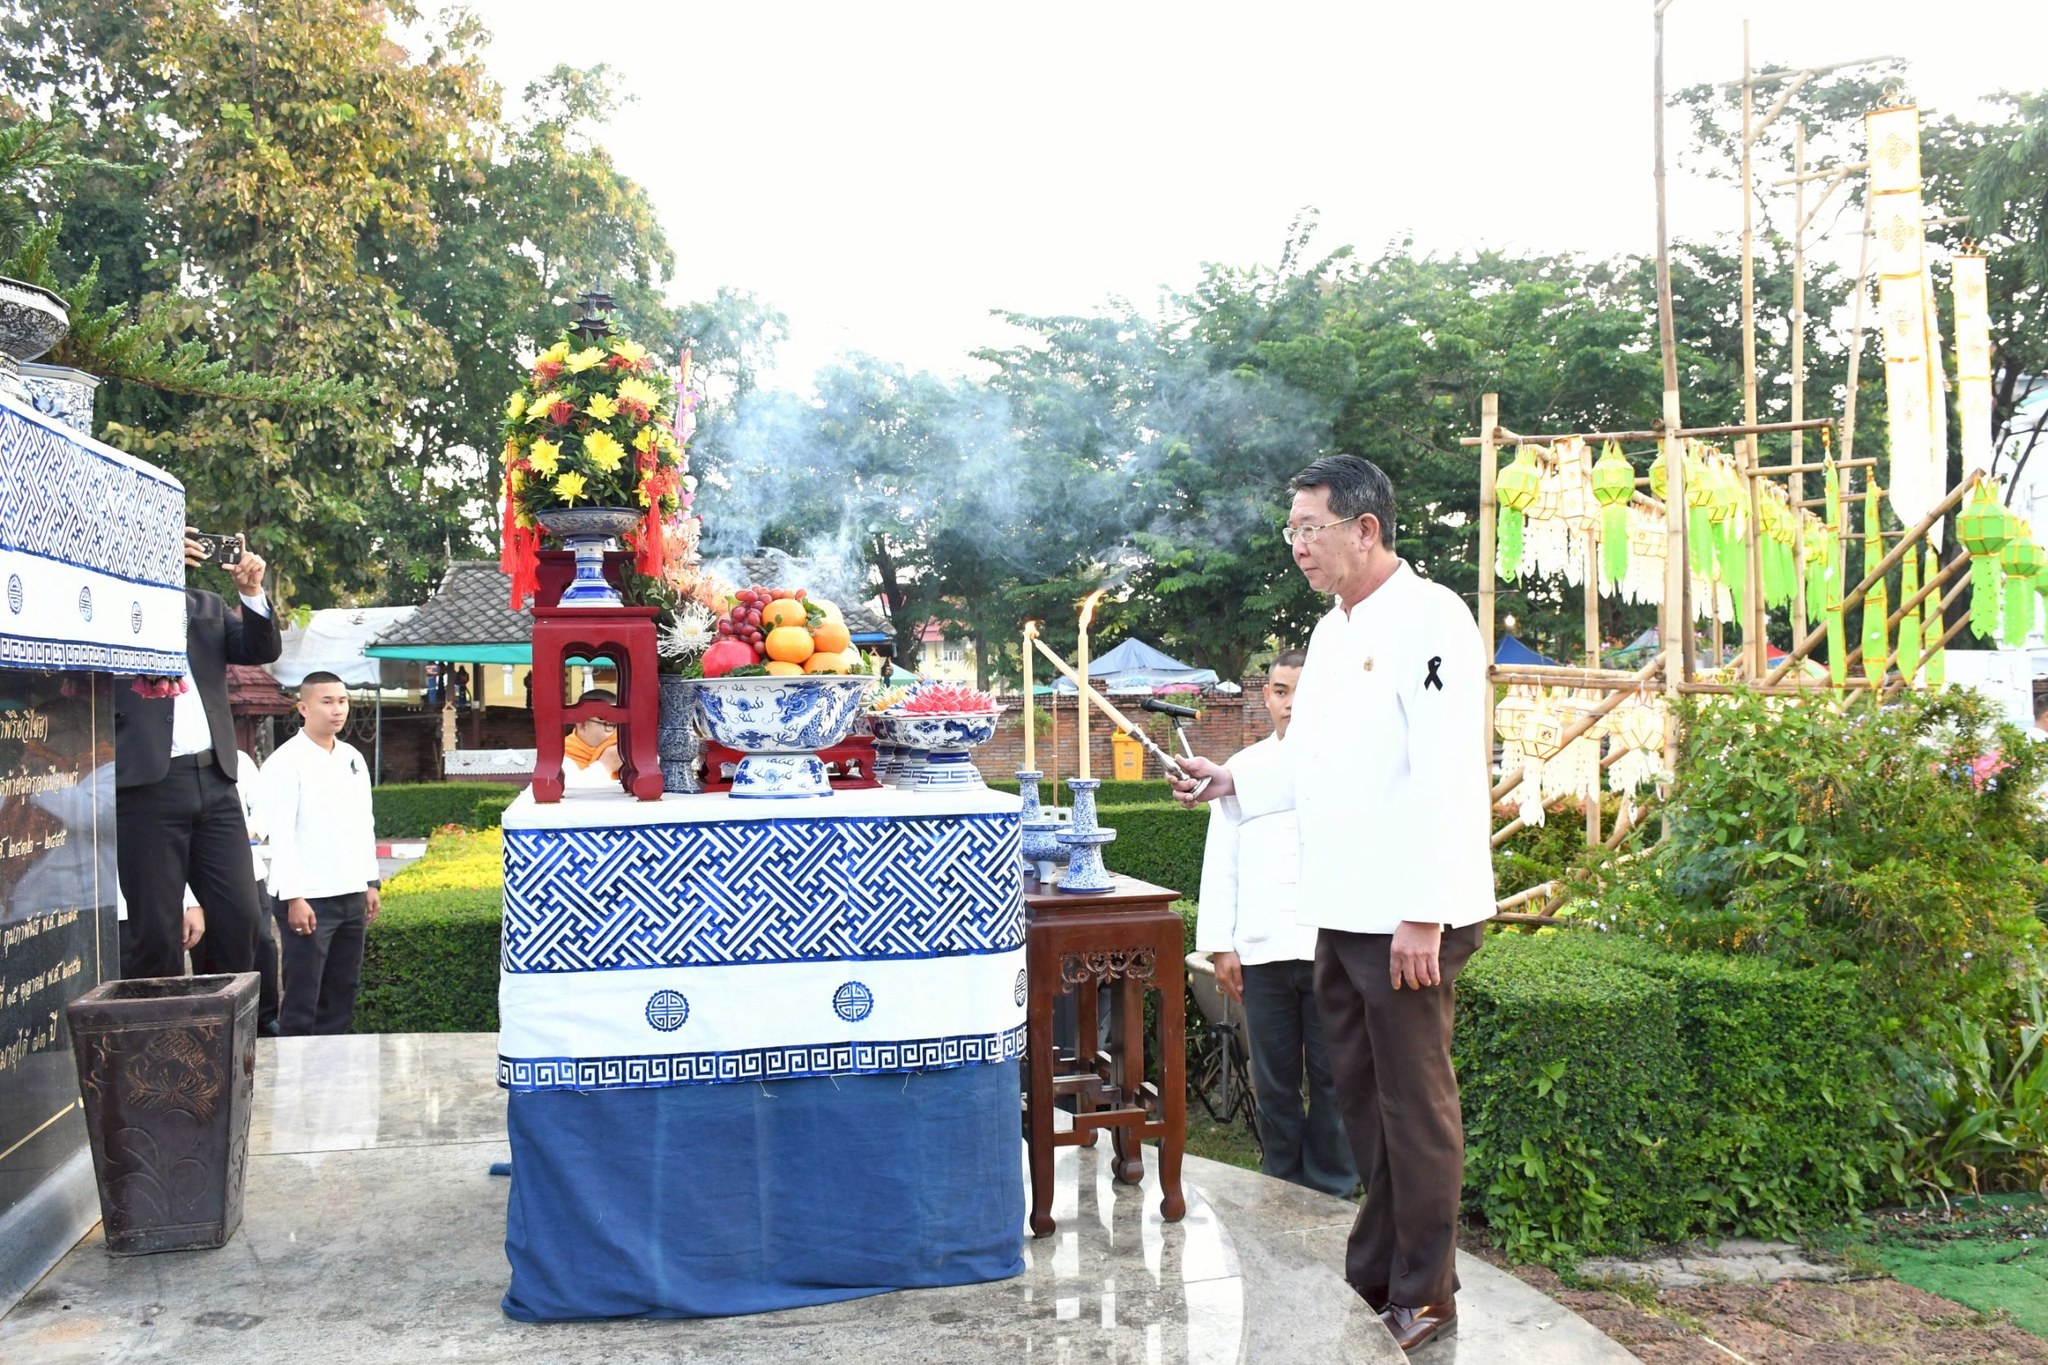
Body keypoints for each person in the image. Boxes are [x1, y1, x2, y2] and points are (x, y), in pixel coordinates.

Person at [1170, 454, 1493, 1354]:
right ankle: (1379, 1268)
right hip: (1343, 910)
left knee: (1414, 1106)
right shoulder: (1328, 628)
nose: (1299, 546)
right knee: (1363, 1103)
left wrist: (1426, 910)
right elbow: (1307, 759)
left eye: (1310, 528)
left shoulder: (1432, 617)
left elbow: (1444, 769)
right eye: (1293, 531)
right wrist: (1231, 778)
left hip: (1408, 915)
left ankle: (1426, 1293)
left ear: (1366, 528)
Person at [1195, 648, 1357, 1198]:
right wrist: (1221, 946)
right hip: (1262, 951)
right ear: (1266, 696)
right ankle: (1282, 1182)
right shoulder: (1241, 770)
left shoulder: (1345, 766)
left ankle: (1333, 1187)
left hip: (1330, 950)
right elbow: (1222, 863)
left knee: (1335, 1077)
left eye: (1302, 693)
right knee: (1274, 1080)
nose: (1291, 704)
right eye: (1282, 691)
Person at [114, 529, 281, 979]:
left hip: (215, 778)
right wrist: (153, 578)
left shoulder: (205, 605)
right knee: (157, 932)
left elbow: (260, 648)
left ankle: (218, 1018)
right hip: (148, 785)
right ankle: (158, 1021)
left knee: (242, 917)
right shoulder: (116, 605)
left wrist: (251, 592)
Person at [262, 672, 381, 1035]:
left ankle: (334, 1066)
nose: (337, 710)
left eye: (342, 701)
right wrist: (294, 897)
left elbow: (364, 822)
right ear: (303, 708)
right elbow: (281, 835)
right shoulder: (285, 761)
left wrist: (370, 881)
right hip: (308, 897)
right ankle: (294, 1066)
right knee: (303, 996)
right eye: (326, 702)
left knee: (342, 992)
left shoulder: (352, 757)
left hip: (350, 890)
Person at [184, 748, 282, 1034]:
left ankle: (264, 1019)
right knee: (210, 952)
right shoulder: (175, 764)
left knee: (262, 943)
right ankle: (215, 1025)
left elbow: (264, 808)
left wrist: (242, 834)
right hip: (200, 874)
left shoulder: (238, 759)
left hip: (245, 868)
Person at [562, 688, 622, 789]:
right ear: (582, 725)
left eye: (621, 726)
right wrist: (606, 763)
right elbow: (569, 791)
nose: (617, 734)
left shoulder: (627, 753)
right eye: (610, 725)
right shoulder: (561, 757)